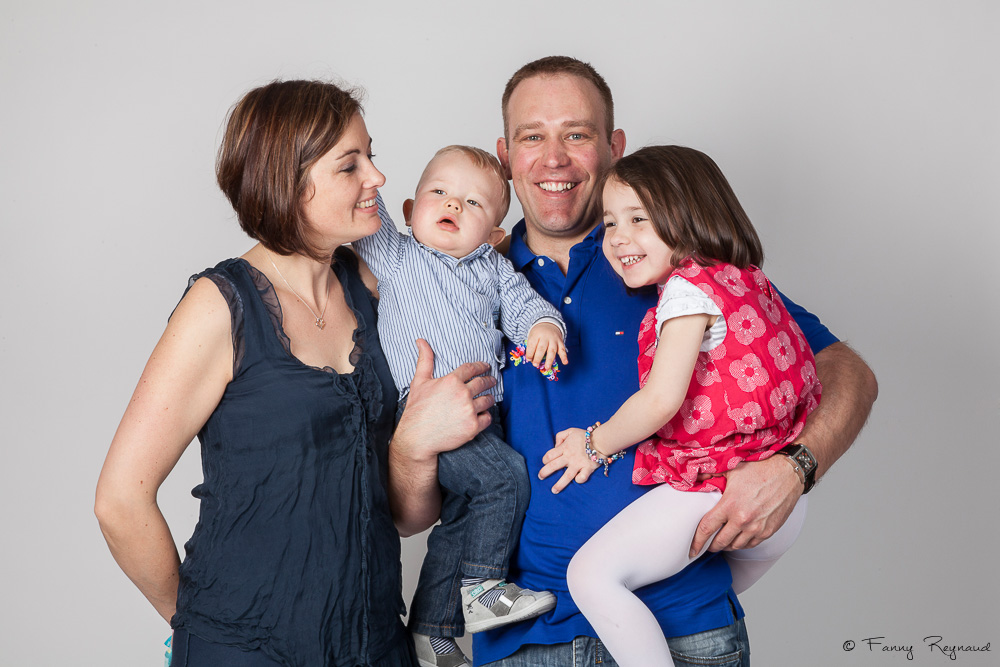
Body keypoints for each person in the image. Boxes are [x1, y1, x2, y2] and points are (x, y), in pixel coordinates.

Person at [391, 56, 877, 667]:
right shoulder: (458, 279)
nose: (554, 157)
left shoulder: (666, 258)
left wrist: (794, 469)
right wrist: (410, 447)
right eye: (531, 137)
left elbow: (846, 371)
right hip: (525, 643)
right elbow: (415, 517)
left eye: (577, 134)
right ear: (506, 156)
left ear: (615, 147)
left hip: (686, 628)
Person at [94, 80, 496, 667]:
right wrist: (201, 626)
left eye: (371, 157)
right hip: (245, 650)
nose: (378, 179)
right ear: (289, 182)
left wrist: (411, 448)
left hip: (376, 644)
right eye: (350, 165)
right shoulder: (219, 306)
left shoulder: (376, 290)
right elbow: (118, 503)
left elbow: (407, 519)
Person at [542, 145, 819, 666]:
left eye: (638, 219)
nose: (618, 238)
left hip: (716, 485)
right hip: (779, 501)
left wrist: (593, 444)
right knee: (696, 591)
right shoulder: (744, 278)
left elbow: (661, 400)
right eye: (609, 223)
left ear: (687, 215)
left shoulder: (686, 292)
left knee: (592, 576)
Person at [352, 145, 565, 667]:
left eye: (473, 203)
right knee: (506, 478)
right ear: (408, 211)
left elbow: (527, 308)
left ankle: (432, 630)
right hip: (421, 413)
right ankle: (485, 589)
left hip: (479, 420)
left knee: (465, 516)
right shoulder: (397, 254)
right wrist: (356, 164)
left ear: (494, 233)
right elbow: (363, 199)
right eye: (439, 193)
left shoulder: (494, 269)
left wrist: (544, 328)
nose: (453, 205)